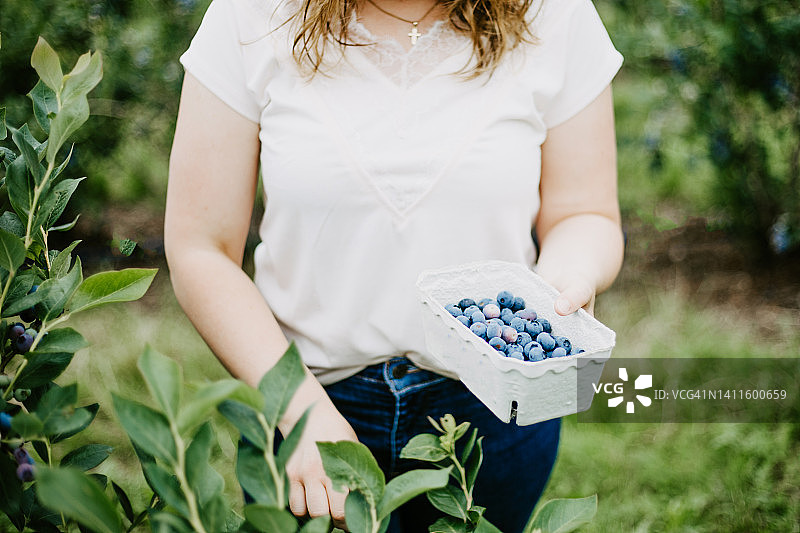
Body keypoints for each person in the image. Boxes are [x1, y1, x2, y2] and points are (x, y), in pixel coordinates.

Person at [164, 0, 624, 530]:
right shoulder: (251, 15)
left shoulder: (553, 13)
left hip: (495, 403)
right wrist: (298, 409)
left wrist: (568, 276)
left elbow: (584, 213)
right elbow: (201, 247)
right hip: (306, 397)